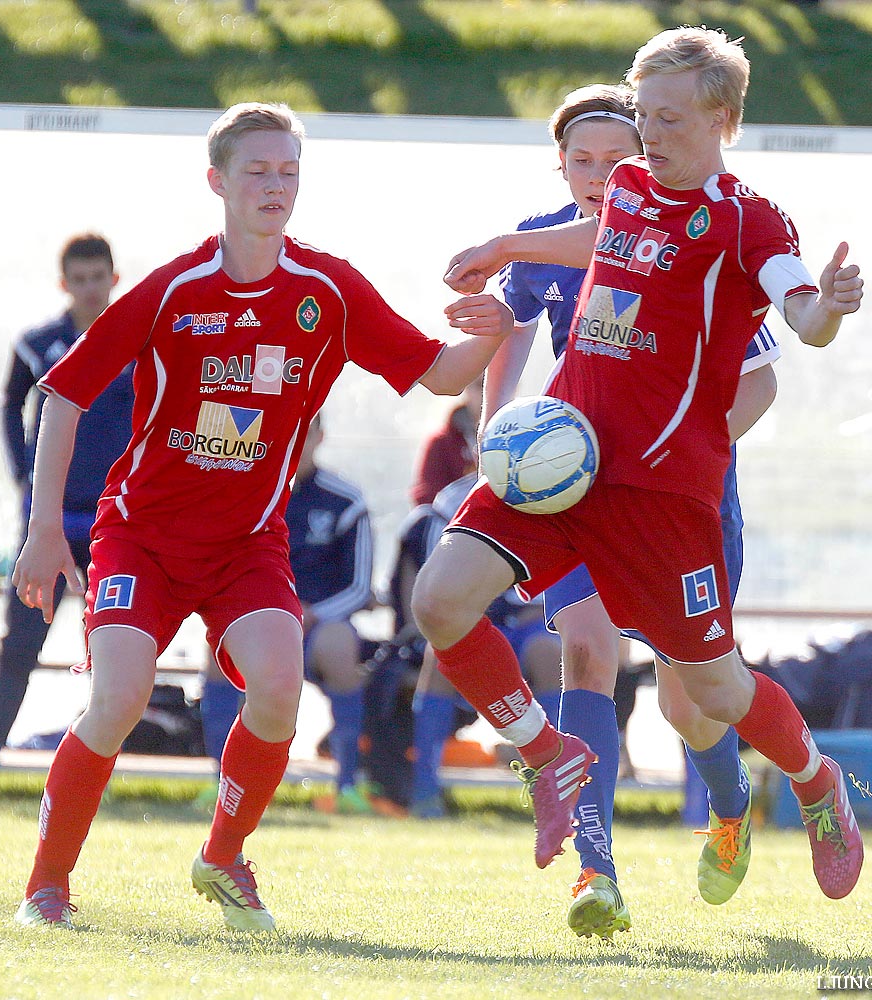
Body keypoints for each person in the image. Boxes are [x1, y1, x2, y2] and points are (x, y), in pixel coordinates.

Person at [10, 101, 515, 932]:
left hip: (248, 545)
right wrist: (41, 532)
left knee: (280, 692)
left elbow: (437, 373)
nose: (275, 186)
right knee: (120, 698)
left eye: (288, 172)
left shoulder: (328, 288)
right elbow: (63, 391)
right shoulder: (174, 288)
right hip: (141, 534)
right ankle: (47, 887)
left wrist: (494, 331)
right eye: (257, 171)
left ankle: (222, 858)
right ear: (218, 182)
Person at [417, 26, 865, 907]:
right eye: (643, 114)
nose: (648, 134)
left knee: (712, 691)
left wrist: (830, 310)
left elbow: (800, 312)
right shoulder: (626, 185)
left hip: (664, 494)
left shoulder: (747, 217)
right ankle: (548, 758)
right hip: (563, 467)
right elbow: (603, 238)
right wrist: (507, 247)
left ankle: (816, 781)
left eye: (667, 119)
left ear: (721, 118)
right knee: (438, 601)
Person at [481, 82, 781, 938]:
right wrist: (492, 431)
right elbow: (503, 334)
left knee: (692, 705)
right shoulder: (543, 247)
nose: (598, 175)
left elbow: (760, 378)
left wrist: (676, 449)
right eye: (582, 160)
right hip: (578, 495)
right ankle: (594, 869)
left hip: (682, 499)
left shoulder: (681, 239)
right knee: (584, 647)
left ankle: (729, 804)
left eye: (619, 160)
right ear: (561, 166)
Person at [0, 234, 132, 801]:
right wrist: (23, 476)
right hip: (51, 524)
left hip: (120, 526)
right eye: (78, 279)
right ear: (65, 284)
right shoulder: (39, 344)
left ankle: (96, 775)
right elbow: (11, 405)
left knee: (116, 652)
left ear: (114, 277)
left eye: (97, 277)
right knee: (20, 643)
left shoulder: (140, 339)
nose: (89, 288)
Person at [195, 412, 381, 815]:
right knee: (215, 654)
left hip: (318, 624)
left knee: (339, 647)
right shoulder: (244, 489)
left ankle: (347, 785)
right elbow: (217, 564)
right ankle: (221, 783)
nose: (296, 441)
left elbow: (360, 587)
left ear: (320, 436)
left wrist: (309, 615)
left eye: (305, 431)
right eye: (287, 429)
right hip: (258, 617)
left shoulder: (345, 499)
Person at [391, 473, 563, 818]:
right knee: (436, 659)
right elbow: (438, 589)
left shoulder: (561, 489)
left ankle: (555, 783)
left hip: (532, 624)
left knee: (549, 654)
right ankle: (424, 791)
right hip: (475, 620)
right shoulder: (452, 501)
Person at [409, 375, 484, 505]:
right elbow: (426, 501)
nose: (489, 391)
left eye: (505, 381)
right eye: (481, 385)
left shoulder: (523, 442)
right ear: (466, 388)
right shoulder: (442, 443)